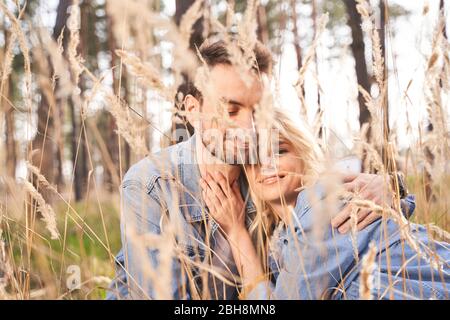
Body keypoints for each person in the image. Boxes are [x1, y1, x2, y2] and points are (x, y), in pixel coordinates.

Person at [106, 39, 416, 300]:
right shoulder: (151, 184)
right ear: (192, 110)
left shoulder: (267, 177)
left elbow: (326, 182)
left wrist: (390, 186)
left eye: (260, 110)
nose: (250, 126)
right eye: (230, 110)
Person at [200, 108, 449, 300]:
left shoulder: (318, 205)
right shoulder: (281, 244)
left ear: (303, 155)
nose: (267, 164)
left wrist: (236, 232)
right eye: (253, 157)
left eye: (278, 150)